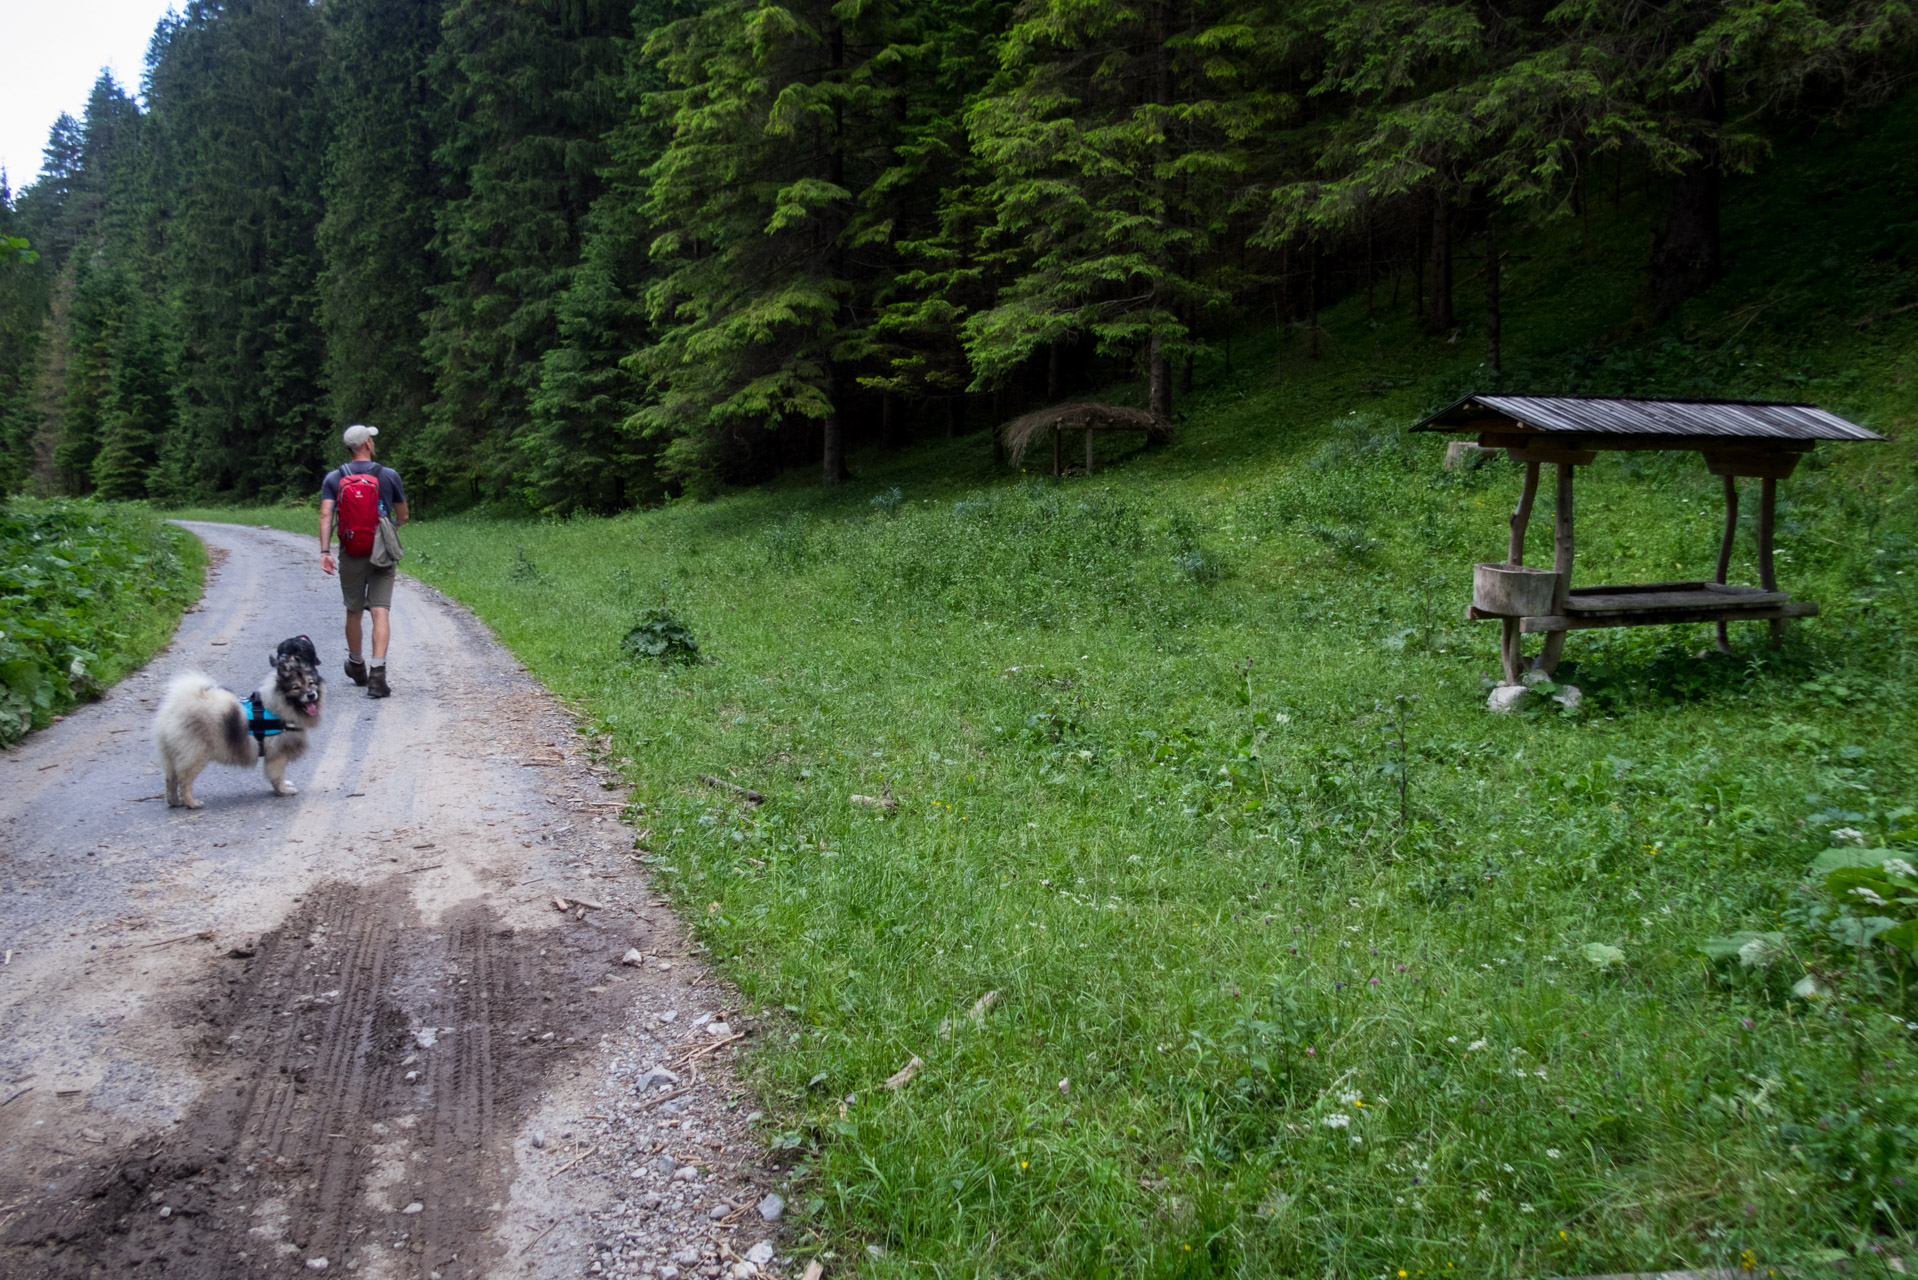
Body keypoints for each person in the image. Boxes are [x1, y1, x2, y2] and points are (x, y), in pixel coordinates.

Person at [319, 424, 409, 698]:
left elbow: (326, 516)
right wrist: (387, 529)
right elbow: (403, 515)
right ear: (368, 443)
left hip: (350, 549)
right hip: (382, 549)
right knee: (380, 610)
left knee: (354, 609)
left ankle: (356, 665)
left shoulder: (334, 478)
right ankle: (378, 675)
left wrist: (325, 552)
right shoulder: (388, 475)